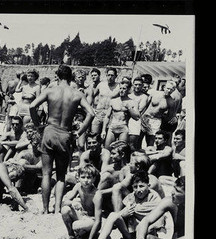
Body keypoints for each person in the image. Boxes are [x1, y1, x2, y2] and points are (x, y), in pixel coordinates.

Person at [29, 64, 95, 214]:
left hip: (50, 131)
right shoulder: (77, 93)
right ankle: (58, 208)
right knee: (60, 176)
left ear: (57, 77)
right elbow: (91, 113)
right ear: (71, 77)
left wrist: (38, 125)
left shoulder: (50, 90)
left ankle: (45, 209)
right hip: (65, 133)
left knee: (46, 173)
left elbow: (32, 106)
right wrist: (79, 132)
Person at [84, 170, 163, 239]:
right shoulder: (132, 196)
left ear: (149, 186)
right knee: (113, 215)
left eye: (141, 186)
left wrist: (127, 212)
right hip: (130, 234)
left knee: (147, 226)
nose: (138, 190)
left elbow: (143, 214)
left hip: (145, 237)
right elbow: (124, 212)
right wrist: (124, 213)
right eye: (135, 187)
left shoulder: (154, 198)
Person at [61, 164, 100, 239]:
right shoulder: (78, 186)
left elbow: (98, 220)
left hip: (91, 220)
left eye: (89, 177)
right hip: (82, 216)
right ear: (78, 178)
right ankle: (71, 235)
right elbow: (65, 201)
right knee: (65, 210)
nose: (85, 180)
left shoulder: (96, 194)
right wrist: (72, 203)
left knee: (76, 225)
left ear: (94, 179)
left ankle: (86, 235)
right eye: (83, 177)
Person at [101, 80, 140, 150]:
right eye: (120, 88)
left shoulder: (132, 102)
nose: (121, 90)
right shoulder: (113, 101)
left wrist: (129, 108)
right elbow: (107, 116)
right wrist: (103, 130)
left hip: (123, 129)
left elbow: (137, 117)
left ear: (128, 90)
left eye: (124, 88)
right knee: (107, 150)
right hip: (112, 128)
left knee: (122, 151)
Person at [139, 80, 176, 147]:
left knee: (151, 142)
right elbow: (145, 105)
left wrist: (174, 118)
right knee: (138, 139)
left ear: (173, 90)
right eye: (168, 88)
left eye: (171, 89)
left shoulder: (171, 102)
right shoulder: (154, 93)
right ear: (164, 87)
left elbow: (170, 116)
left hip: (156, 121)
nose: (169, 90)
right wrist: (141, 116)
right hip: (145, 117)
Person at [91, 68, 120, 135]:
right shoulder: (101, 85)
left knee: (107, 136)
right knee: (94, 134)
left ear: (116, 76)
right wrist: (92, 108)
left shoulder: (119, 86)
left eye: (112, 75)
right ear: (106, 75)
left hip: (110, 115)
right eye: (108, 75)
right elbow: (91, 96)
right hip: (98, 113)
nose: (110, 77)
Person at [128, 76, 149, 150]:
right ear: (133, 84)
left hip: (135, 121)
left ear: (142, 86)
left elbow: (138, 111)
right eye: (136, 84)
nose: (137, 86)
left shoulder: (144, 97)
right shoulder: (128, 95)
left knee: (132, 144)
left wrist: (128, 107)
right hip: (125, 120)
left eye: (139, 85)